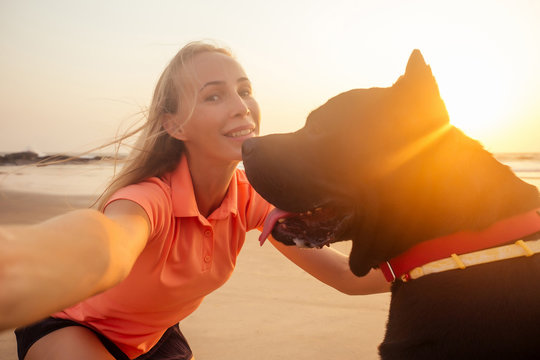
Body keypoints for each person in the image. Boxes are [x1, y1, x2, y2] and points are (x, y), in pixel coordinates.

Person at [0, 41, 389, 360]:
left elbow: (343, 276)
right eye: (214, 96)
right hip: (73, 328)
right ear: (174, 124)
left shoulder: (249, 195)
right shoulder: (148, 199)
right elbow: (108, 248)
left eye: (245, 90)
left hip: (155, 339)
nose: (241, 105)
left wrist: (434, 261)